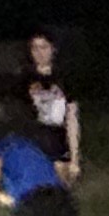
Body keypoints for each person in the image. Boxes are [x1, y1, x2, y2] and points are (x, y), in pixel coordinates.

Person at [20, 31, 85, 182]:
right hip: (34, 140)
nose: (39, 53)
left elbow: (72, 117)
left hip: (58, 140)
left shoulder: (64, 78)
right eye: (35, 48)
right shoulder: (24, 79)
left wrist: (75, 158)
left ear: (52, 49)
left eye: (43, 47)